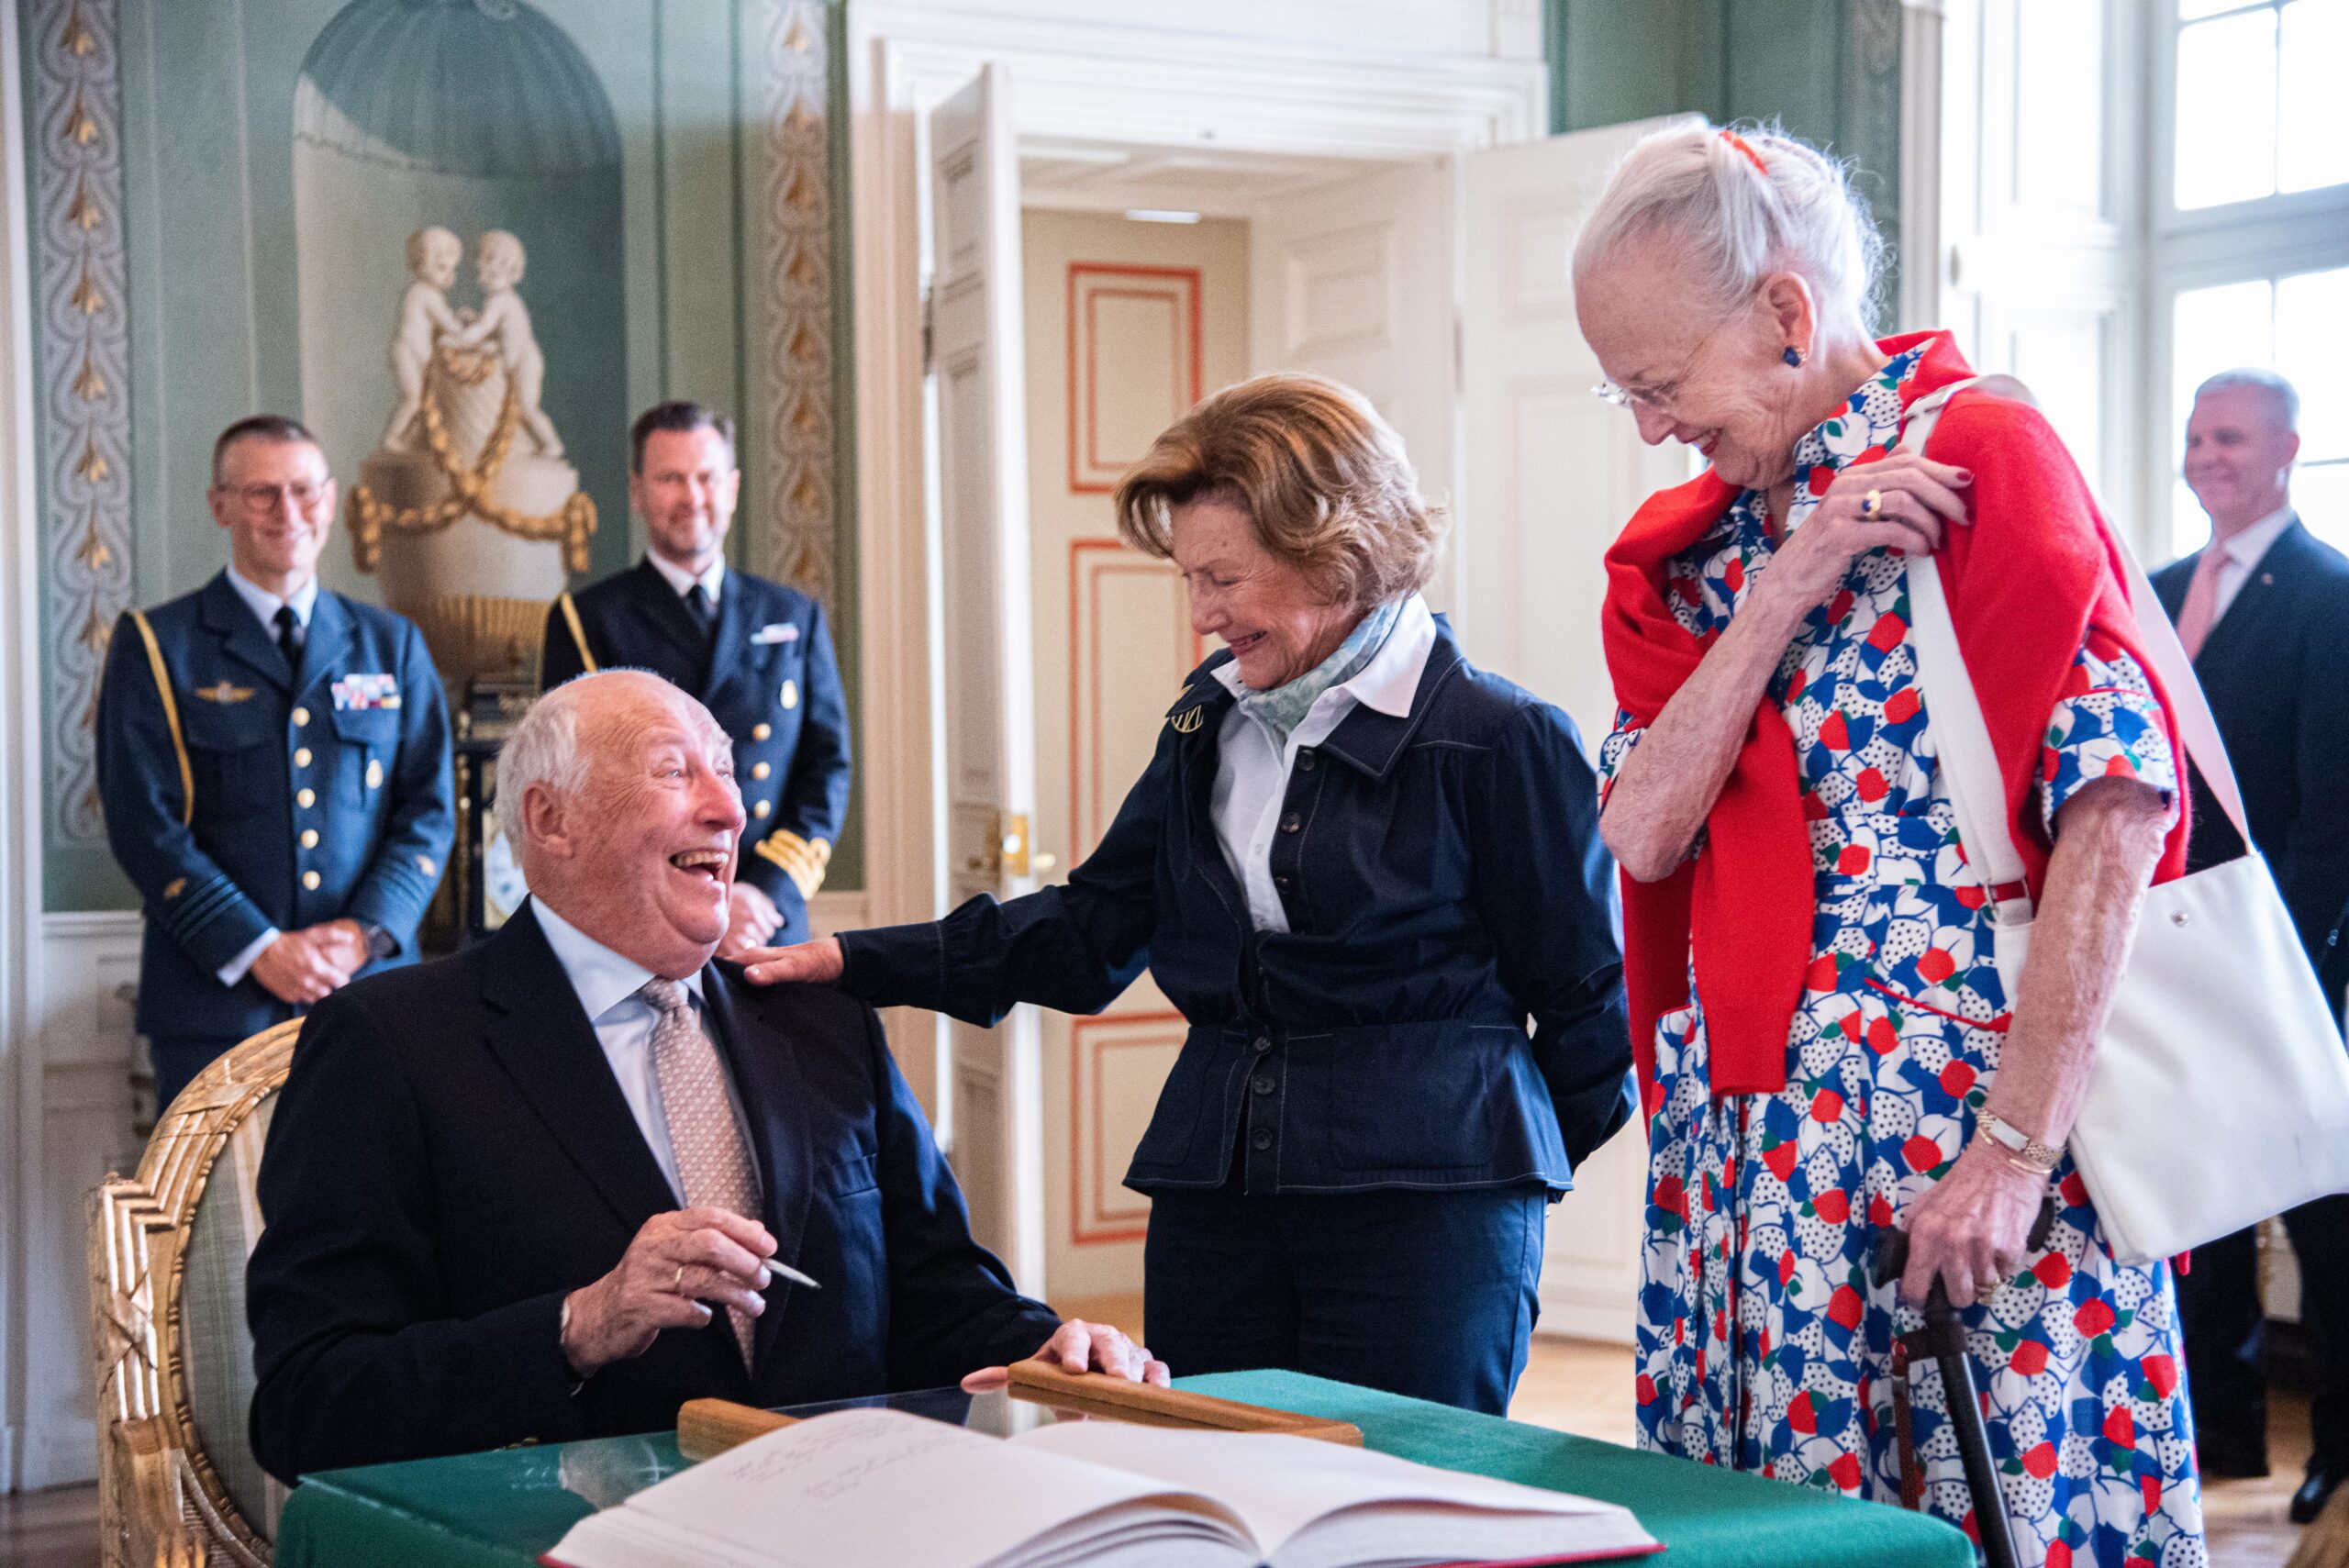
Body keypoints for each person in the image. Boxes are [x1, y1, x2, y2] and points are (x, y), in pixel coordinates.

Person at [738, 373, 1634, 1417]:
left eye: (1223, 578)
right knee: (1208, 1484)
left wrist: (1483, 1166)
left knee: (1397, 1508)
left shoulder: (1498, 738)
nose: (1202, 614)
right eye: (1188, 579)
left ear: (1333, 550)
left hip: (1427, 1221)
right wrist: (853, 959)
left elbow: (1593, 1015)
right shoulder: (1206, 721)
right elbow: (1089, 926)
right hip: (1217, 1204)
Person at [1577, 123, 2203, 1562]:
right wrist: (1791, 581)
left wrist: (2012, 1153)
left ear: (1789, 316)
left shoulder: (1986, 454)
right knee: (1776, 1531)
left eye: (1660, 385)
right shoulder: (1705, 548)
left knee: (1986, 1519)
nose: (1652, 427)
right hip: (1752, 1162)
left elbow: (2117, 807)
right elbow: (1644, 827)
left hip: (1965, 1154)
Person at [245, 671, 1160, 1482]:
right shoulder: (389, 1041)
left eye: (727, 771)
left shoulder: (817, 1019)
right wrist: (579, 1324)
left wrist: (1051, 1346)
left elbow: (940, 1300)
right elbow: (307, 1407)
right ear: (549, 818)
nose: (731, 808)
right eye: (676, 771)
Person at [95, 416, 454, 1110]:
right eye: (261, 494)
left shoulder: (392, 644)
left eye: (303, 491)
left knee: (373, 1212)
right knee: (226, 1221)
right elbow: (145, 823)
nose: (286, 513)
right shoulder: (158, 644)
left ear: (330, 496)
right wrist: (260, 947)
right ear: (220, 504)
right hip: (216, 1006)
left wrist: (361, 934)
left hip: (371, 995)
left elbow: (428, 811)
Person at [2154, 368, 2349, 1521]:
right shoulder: (2161, 586)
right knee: (2199, 1203)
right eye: (2192, 436)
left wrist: (2290, 961)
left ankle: (2338, 1454)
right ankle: (2219, 1431)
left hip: (2287, 965)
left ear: (2285, 450)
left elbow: (2334, 813)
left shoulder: (2329, 595)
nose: (2204, 454)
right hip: (2173, 951)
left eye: (2228, 436)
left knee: (2324, 1223)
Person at [541, 402, 849, 954]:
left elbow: (825, 770)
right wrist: (694, 898)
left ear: (731, 489)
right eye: (670, 479)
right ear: (637, 492)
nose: (692, 498)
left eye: (706, 478)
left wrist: (761, 894)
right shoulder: (586, 621)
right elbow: (579, 786)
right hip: (639, 924)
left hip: (764, 925)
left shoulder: (791, 615)